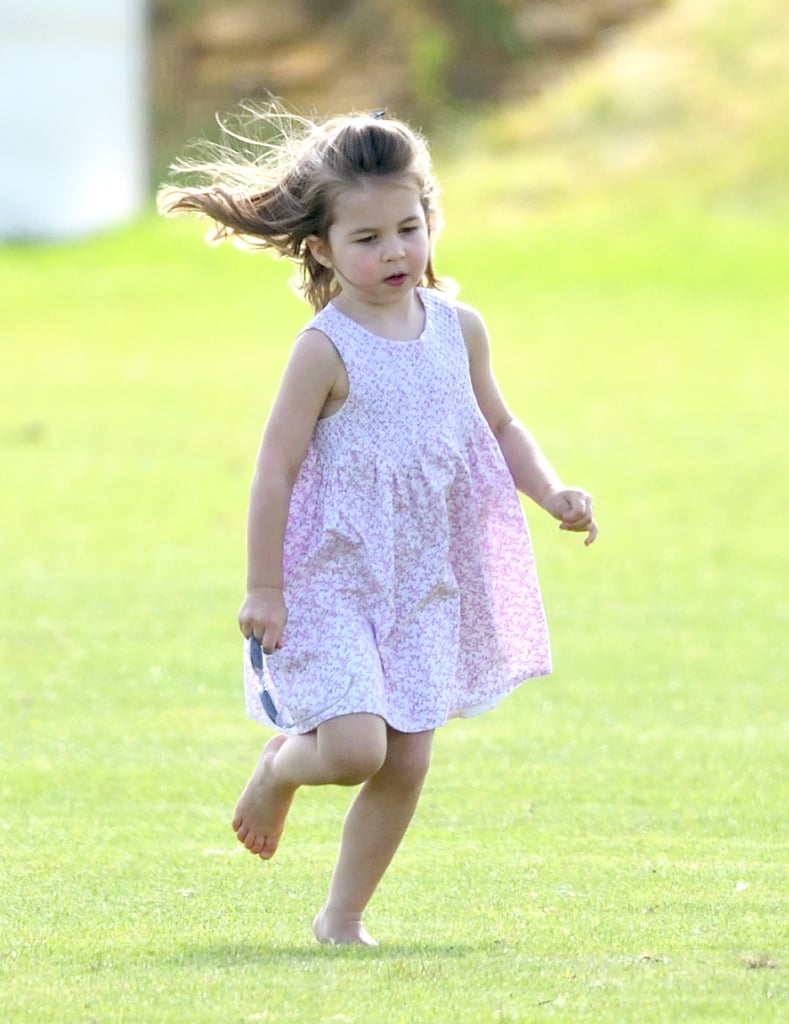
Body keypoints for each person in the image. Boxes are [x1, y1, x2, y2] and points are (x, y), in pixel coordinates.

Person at [158, 103, 597, 947]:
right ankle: (281, 767)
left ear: (431, 219)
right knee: (355, 748)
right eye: (367, 239)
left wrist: (549, 491)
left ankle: (342, 919)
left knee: (407, 760)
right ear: (320, 248)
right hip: (332, 574)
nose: (395, 251)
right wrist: (263, 587)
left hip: (425, 573)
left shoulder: (459, 329)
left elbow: (499, 426)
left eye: (409, 227)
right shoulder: (323, 349)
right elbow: (274, 469)